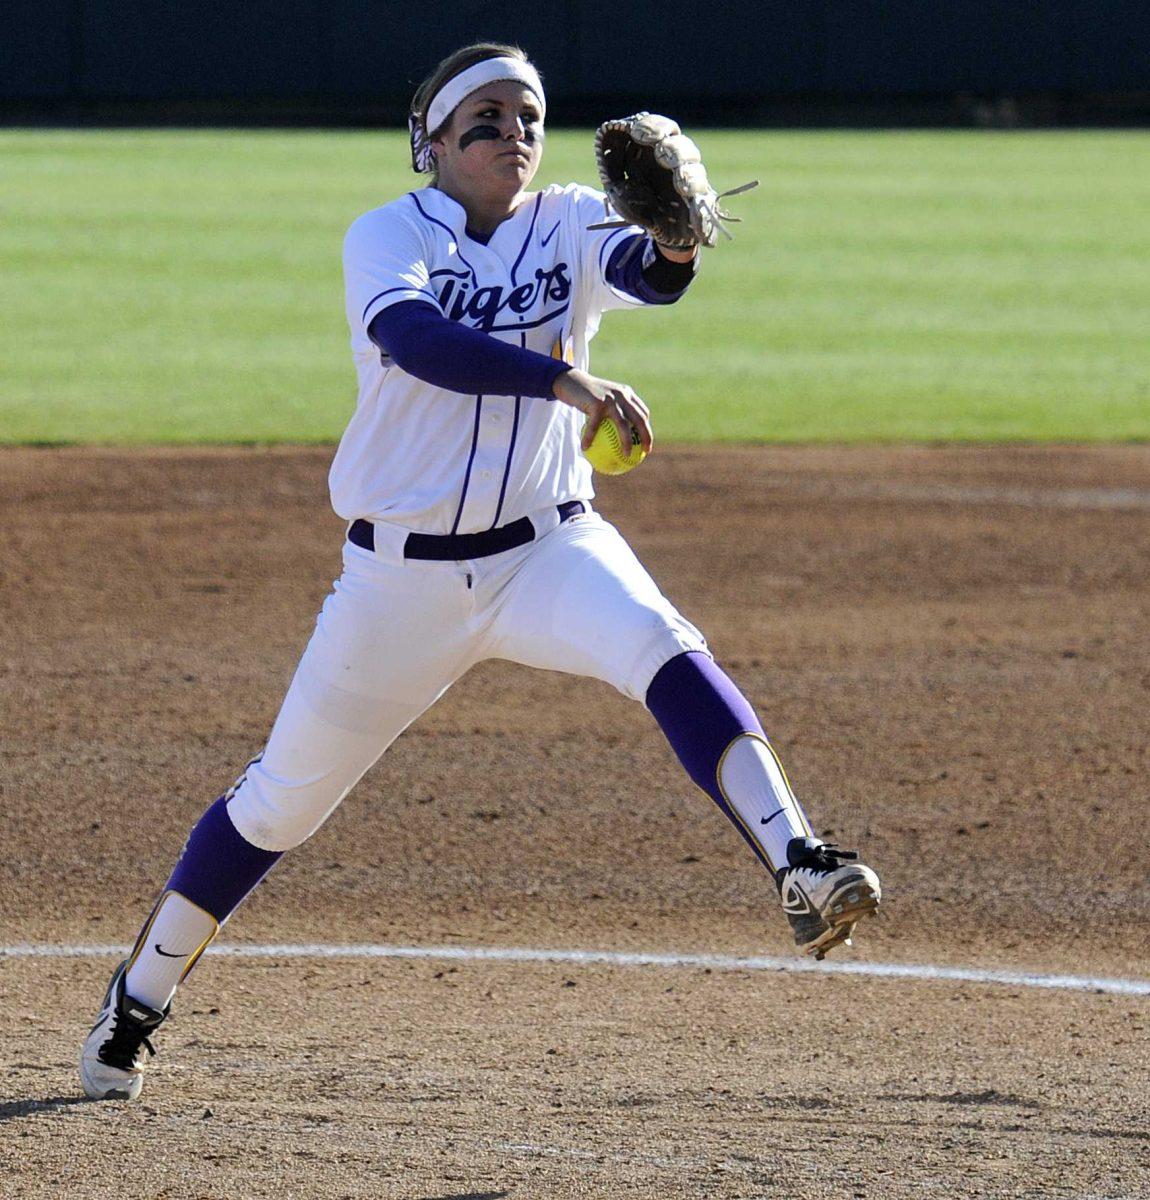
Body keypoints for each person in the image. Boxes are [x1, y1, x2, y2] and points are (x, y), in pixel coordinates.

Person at [80, 42, 881, 1102]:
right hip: (398, 584)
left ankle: (800, 862)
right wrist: (566, 380)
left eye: (530, 118)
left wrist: (682, 242)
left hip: (550, 546)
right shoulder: (386, 237)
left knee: (664, 647)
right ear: (434, 143)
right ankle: (138, 997)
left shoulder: (568, 220)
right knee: (280, 806)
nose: (516, 135)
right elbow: (418, 343)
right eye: (489, 119)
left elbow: (649, 277)